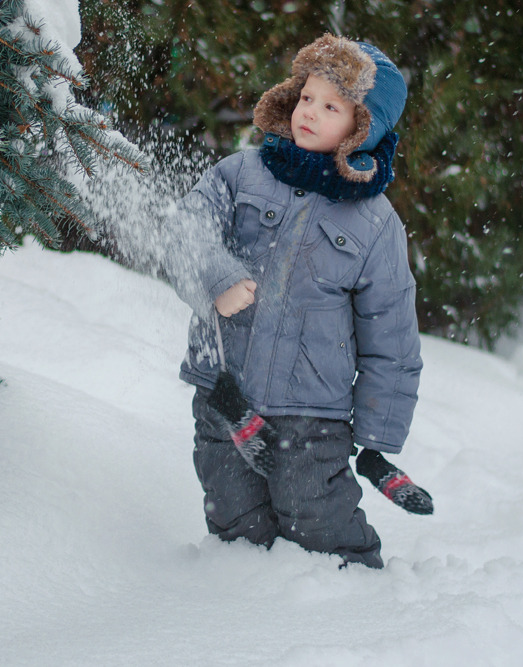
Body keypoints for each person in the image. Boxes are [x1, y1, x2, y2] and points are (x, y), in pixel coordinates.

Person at [167, 34, 422, 568]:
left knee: (321, 526)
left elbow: (391, 335)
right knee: (234, 523)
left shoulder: (375, 224)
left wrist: (376, 436)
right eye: (308, 96)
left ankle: (361, 616)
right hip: (225, 396)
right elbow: (185, 230)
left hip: (312, 416)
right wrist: (215, 276)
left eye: (332, 106)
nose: (310, 112)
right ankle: (242, 620)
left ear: (362, 128)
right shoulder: (240, 175)